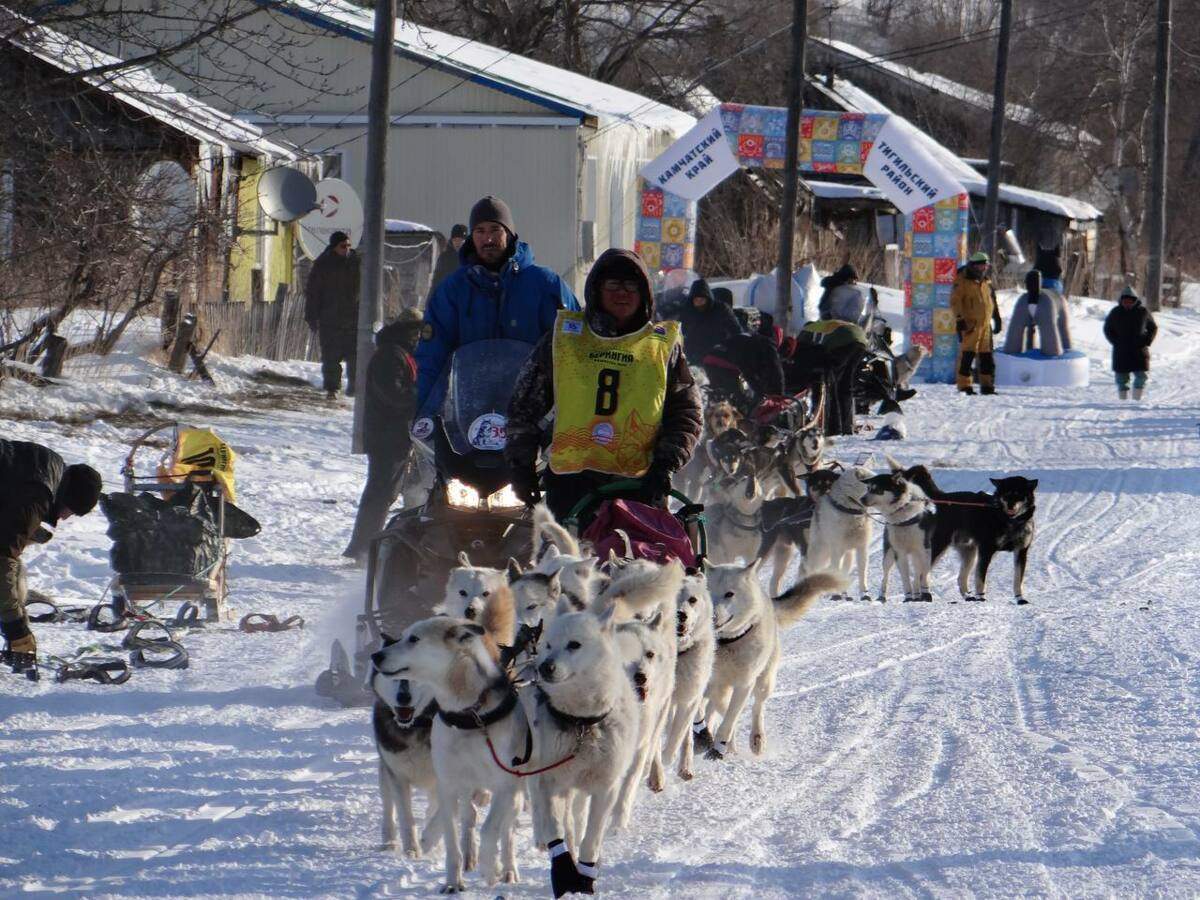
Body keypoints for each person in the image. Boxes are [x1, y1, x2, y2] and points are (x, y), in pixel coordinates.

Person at [505, 248, 703, 521]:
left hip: (641, 482)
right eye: (613, 284)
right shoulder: (564, 339)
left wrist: (666, 464)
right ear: (596, 289)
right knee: (565, 561)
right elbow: (525, 406)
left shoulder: (663, 346)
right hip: (571, 483)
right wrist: (521, 465)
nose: (622, 292)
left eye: (631, 285)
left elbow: (686, 412)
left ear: (644, 292)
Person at [415, 195, 578, 410]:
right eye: (480, 231)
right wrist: (425, 413)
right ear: (471, 237)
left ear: (509, 234)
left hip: (533, 417)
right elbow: (432, 358)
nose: (488, 239)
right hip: (470, 416)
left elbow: (574, 349)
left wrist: (569, 409)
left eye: (495, 230)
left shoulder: (546, 286)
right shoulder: (452, 291)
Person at [1, 441, 102, 660]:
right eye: (70, 510)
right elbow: (2, 560)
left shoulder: (45, 465)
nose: (65, 517)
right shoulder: (36, 493)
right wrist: (16, 629)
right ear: (68, 496)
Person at [342, 310, 424, 563]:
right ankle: (365, 548)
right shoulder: (390, 355)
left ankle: (367, 546)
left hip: (395, 434)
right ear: (408, 330)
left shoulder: (401, 353)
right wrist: (421, 399)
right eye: (416, 330)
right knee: (381, 492)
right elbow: (393, 395)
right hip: (387, 435)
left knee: (386, 491)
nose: (420, 336)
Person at [305, 230, 361, 400]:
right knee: (331, 356)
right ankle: (332, 389)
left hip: (354, 318)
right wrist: (312, 316)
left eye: (349, 246)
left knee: (355, 356)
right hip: (330, 318)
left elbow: (368, 289)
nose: (347, 249)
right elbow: (313, 292)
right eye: (343, 246)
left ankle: (354, 387)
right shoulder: (323, 264)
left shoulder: (356, 262)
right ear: (334, 247)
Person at [950, 251, 1003, 396]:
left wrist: (996, 317)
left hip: (985, 326)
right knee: (968, 356)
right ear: (974, 266)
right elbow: (955, 301)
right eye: (981, 266)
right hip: (970, 325)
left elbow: (992, 300)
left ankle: (987, 386)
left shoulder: (986, 281)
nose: (984, 268)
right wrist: (960, 319)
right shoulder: (962, 280)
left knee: (987, 358)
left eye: (986, 266)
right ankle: (965, 386)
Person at [1003, 269, 1073, 357]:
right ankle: (1055, 350)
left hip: (1052, 303)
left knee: (1055, 334)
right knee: (1052, 338)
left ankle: (1061, 349)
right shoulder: (1023, 300)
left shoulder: (1027, 300)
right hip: (1045, 304)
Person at [1103, 286, 1157, 400]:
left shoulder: (1143, 312)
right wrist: (1115, 341)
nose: (1127, 303)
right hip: (1121, 351)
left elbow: (1153, 327)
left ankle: (1136, 400)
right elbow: (1107, 329)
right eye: (1125, 300)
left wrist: (1147, 341)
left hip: (1139, 350)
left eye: (1130, 300)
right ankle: (1123, 401)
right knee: (1121, 379)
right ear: (1121, 300)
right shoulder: (1115, 312)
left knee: (1141, 376)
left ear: (1135, 300)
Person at [678, 277, 741, 362]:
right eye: (696, 300)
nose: (699, 303)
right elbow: (679, 328)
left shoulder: (721, 309)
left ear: (708, 299)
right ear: (692, 301)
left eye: (702, 300)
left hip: (716, 352)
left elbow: (735, 329)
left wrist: (733, 346)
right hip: (693, 352)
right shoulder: (689, 310)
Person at [429, 223, 467, 296]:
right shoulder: (445, 257)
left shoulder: (471, 257)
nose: (457, 242)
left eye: (460, 239)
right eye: (455, 239)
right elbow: (437, 279)